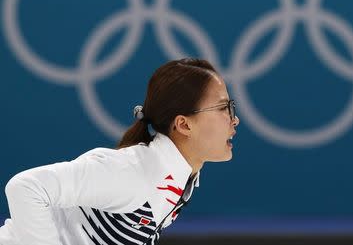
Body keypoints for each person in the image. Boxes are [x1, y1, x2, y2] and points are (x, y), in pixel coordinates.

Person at [0, 58, 239, 245]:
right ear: (184, 124)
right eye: (223, 107)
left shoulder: (178, 181)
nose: (234, 119)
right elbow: (26, 187)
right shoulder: (133, 173)